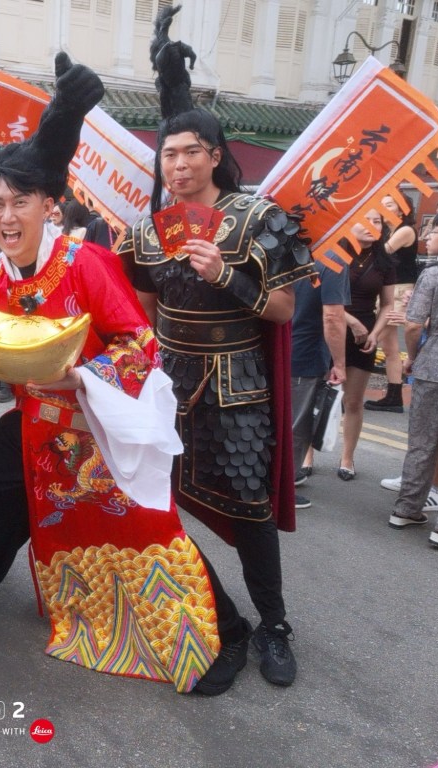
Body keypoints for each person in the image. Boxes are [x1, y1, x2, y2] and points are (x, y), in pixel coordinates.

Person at [0, 53, 224, 696]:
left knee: (145, 523)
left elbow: (138, 342)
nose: (7, 215)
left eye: (21, 201)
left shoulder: (86, 262)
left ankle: (211, 628)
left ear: (50, 205)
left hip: (97, 421)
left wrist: (86, 381)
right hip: (32, 421)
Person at [120, 54, 315, 688]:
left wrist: (224, 274)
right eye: (167, 154)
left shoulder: (257, 218)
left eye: (190, 152)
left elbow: (284, 309)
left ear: (214, 154)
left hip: (239, 384)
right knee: (159, 502)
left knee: (251, 508)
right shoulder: (146, 231)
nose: (177, 164)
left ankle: (275, 623)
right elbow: (144, 310)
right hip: (169, 382)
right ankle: (221, 620)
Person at [388, 206, 438, 541]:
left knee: (422, 441)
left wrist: (413, 359)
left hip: (432, 364)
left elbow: (413, 325)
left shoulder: (432, 275)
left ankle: (406, 509)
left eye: (436, 230)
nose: (429, 236)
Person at [338, 210, 396, 481]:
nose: (373, 226)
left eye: (378, 222)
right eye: (367, 220)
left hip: (365, 334)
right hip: (332, 328)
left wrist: (376, 333)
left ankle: (347, 458)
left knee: (353, 401)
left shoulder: (384, 261)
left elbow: (387, 305)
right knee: (318, 397)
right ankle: (307, 455)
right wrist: (349, 321)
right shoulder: (334, 253)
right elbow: (321, 299)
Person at [289, 254, 349, 509]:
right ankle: (281, 489)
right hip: (306, 353)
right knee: (296, 426)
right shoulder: (333, 261)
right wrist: (339, 363)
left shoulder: (282, 251)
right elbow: (333, 316)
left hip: (270, 350)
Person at [365, 195, 417, 413]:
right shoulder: (387, 231)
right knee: (389, 346)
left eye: (388, 205)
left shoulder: (405, 230)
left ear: (401, 209)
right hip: (391, 290)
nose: (383, 209)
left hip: (399, 291)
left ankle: (393, 395)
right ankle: (394, 395)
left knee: (380, 339)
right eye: (381, 204)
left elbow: (382, 254)